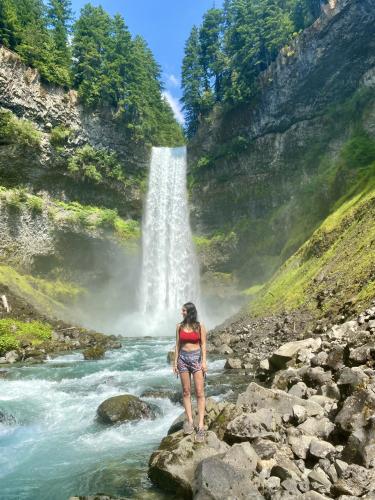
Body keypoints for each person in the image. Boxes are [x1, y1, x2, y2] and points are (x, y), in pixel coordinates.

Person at [173, 302, 207, 443]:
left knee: (199, 392)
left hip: (196, 360)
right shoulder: (179, 326)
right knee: (186, 391)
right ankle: (190, 421)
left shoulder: (200, 326)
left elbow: (203, 344)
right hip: (183, 360)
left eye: (184, 310)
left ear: (190, 312)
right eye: (182, 310)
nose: (182, 312)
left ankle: (201, 425)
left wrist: (204, 361)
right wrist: (174, 362)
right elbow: (177, 345)